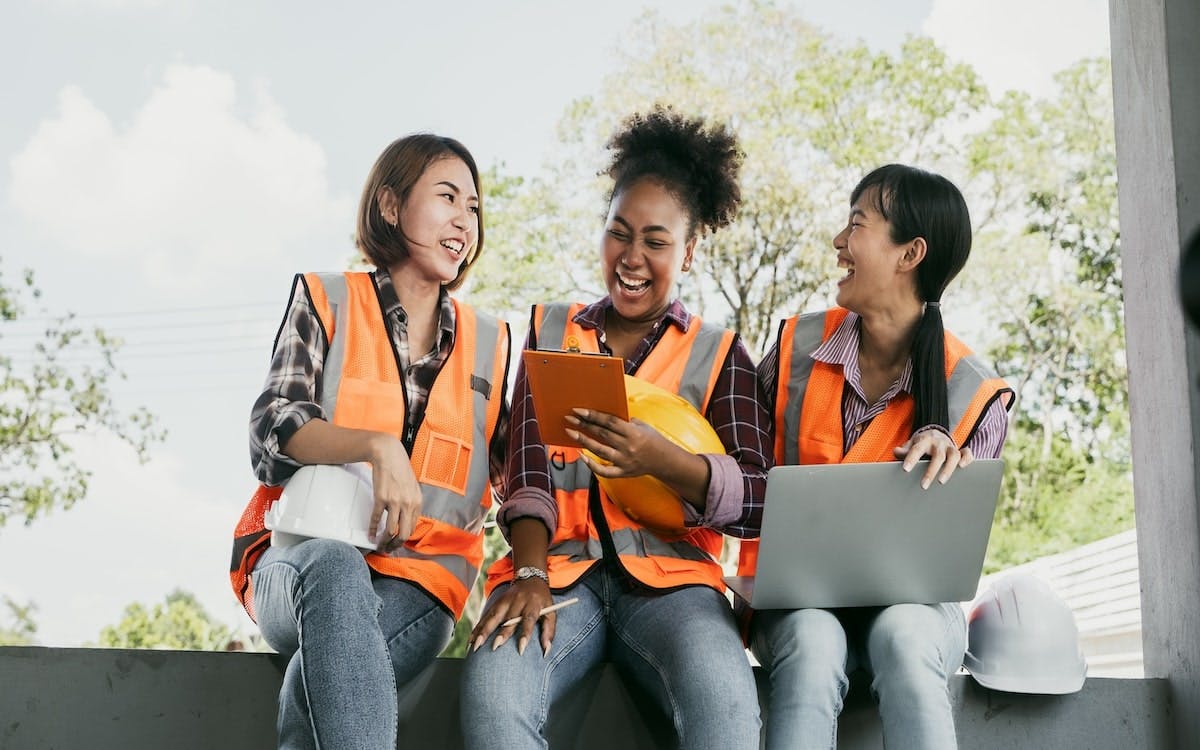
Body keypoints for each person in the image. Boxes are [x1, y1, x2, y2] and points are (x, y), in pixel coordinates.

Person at [460, 107, 771, 750]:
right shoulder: (553, 332)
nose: (632, 257)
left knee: (728, 713)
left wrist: (663, 459)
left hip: (674, 588)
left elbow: (758, 498)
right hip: (555, 573)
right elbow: (527, 468)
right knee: (494, 702)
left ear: (688, 251)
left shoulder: (720, 355)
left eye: (656, 241)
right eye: (618, 232)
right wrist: (528, 573)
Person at [228, 134, 510, 750]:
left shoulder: (492, 343)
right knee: (332, 567)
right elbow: (272, 427)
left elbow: (522, 480)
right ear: (390, 205)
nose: (465, 217)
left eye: (473, 205)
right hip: (298, 561)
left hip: (422, 581)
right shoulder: (327, 299)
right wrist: (376, 445)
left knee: (317, 685)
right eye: (446, 197)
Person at [739, 164, 1013, 749]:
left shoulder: (975, 392)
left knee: (907, 635)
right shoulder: (793, 349)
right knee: (813, 643)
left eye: (856, 225)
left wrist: (948, 471)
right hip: (798, 604)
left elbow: (950, 556)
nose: (840, 242)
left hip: (916, 611)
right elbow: (742, 474)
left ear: (910, 254)